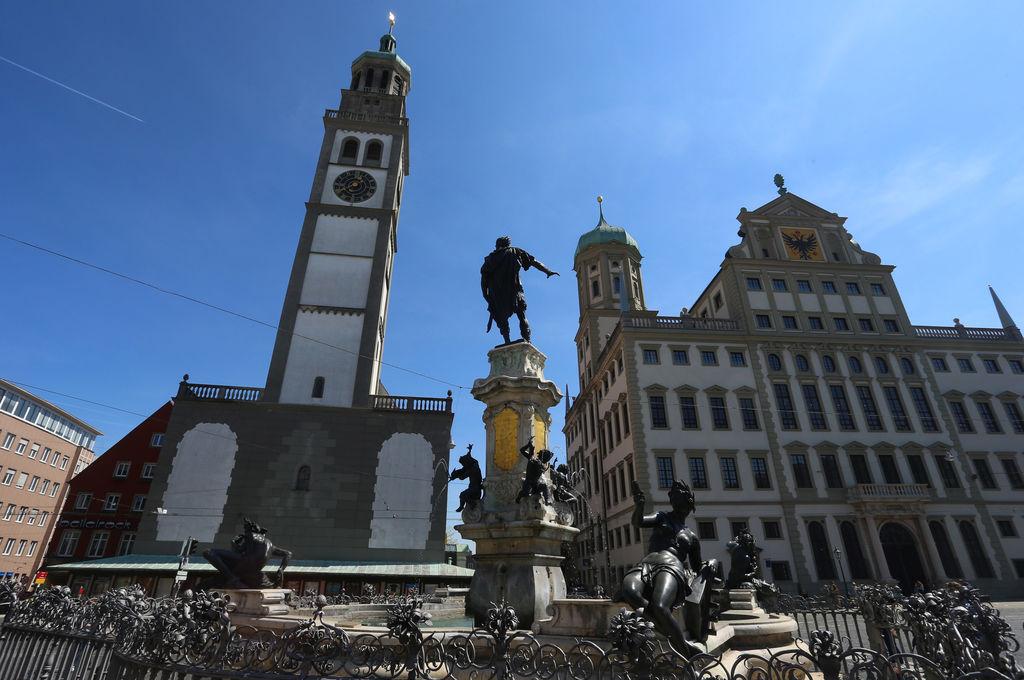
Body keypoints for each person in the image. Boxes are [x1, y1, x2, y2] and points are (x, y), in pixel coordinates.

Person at [620, 479, 722, 658]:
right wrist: (639, 505)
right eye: (675, 498)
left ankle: (684, 652)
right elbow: (638, 522)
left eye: (683, 500)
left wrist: (712, 563)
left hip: (671, 567)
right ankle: (677, 638)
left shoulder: (692, 537)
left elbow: (697, 568)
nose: (679, 503)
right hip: (647, 564)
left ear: (690, 505)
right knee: (629, 591)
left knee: (660, 606)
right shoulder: (661, 517)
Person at [480, 236, 558, 344]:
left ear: (497, 245)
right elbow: (533, 261)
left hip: (497, 294)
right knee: (521, 314)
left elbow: (483, 281)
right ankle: (527, 340)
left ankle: (507, 341)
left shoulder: (489, 260)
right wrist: (547, 271)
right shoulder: (515, 251)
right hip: (515, 290)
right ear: (508, 244)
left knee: (502, 319)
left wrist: (486, 296)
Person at [515, 437, 553, 504]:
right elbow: (522, 450)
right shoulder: (533, 459)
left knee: (544, 486)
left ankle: (547, 501)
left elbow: (541, 470)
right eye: (547, 459)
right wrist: (528, 445)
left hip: (536, 484)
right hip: (528, 482)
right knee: (525, 493)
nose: (547, 461)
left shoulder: (541, 464)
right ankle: (518, 498)